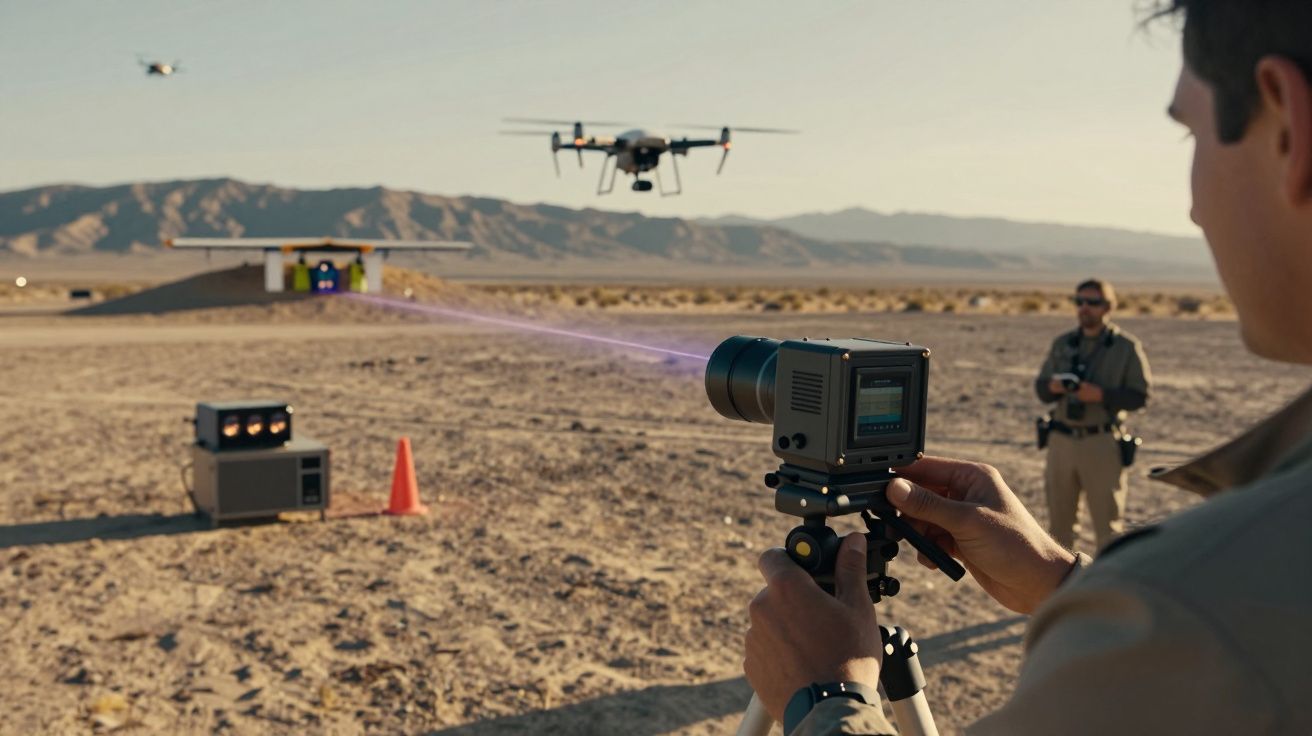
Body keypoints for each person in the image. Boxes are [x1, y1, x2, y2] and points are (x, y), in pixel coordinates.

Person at [743, 1, 1312, 733]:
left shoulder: (1204, 614)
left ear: (1289, 128)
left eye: (1191, 136)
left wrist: (826, 698)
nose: (1195, 208)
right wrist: (1067, 584)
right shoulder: (1226, 603)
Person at [1035, 278, 1151, 550]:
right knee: (1058, 530)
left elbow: (1140, 396)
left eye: (1093, 302)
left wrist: (1102, 396)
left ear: (1108, 306)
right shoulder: (1063, 343)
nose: (1085, 308)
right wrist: (1053, 387)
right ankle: (1064, 590)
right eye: (1080, 302)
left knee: (1108, 529)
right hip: (1061, 441)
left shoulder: (1125, 347)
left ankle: (1107, 589)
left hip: (1100, 443)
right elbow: (1041, 390)